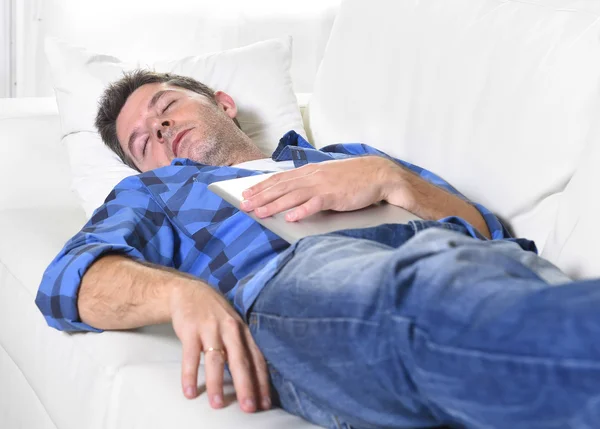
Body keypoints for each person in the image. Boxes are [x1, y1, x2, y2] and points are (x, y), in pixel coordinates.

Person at [36, 70, 600, 429]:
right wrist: (181, 294)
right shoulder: (153, 192)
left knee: (485, 286)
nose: (158, 129)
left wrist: (388, 178)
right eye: (142, 142)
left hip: (480, 265)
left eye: (167, 107)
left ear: (223, 102)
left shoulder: (349, 155)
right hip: (304, 281)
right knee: (423, 299)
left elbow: (491, 234)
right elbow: (69, 282)